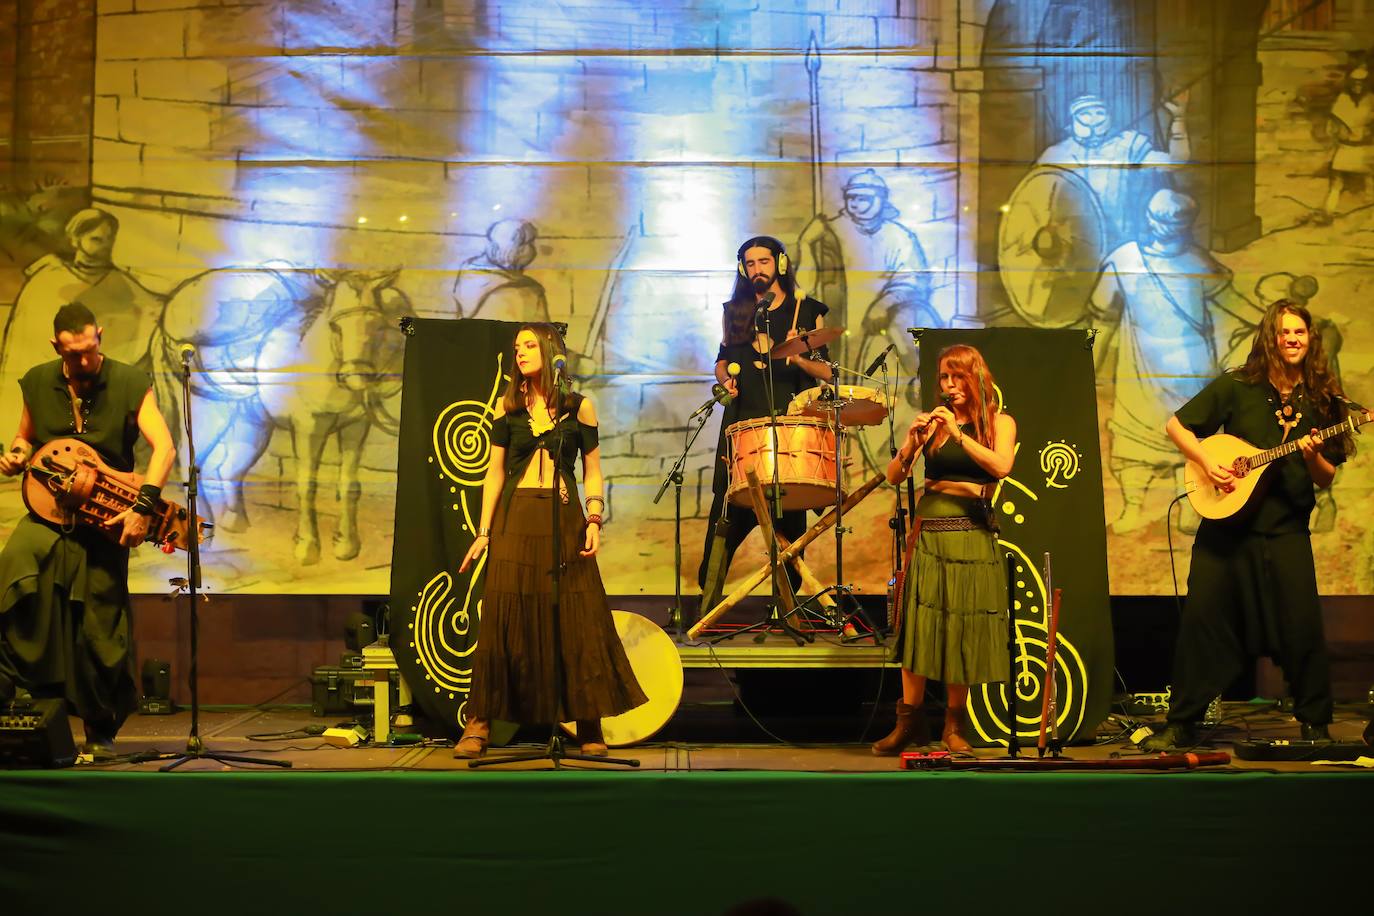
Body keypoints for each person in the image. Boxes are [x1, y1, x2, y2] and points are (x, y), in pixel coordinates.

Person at [1142, 301, 1367, 751]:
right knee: (1202, 622)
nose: (1292, 339)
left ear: (1310, 339)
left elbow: (1326, 477)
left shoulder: (1324, 399)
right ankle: (1183, 722)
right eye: (1284, 332)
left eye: (1300, 332)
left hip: (1285, 529)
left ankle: (1315, 724)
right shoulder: (1238, 386)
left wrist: (1311, 455)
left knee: (1302, 625)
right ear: (1271, 338)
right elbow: (1177, 425)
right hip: (1226, 531)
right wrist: (1208, 461)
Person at [455, 323, 646, 758]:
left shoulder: (580, 407)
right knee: (504, 619)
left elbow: (593, 469)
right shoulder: (509, 411)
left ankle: (588, 723)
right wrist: (483, 533)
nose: (519, 352)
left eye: (527, 345)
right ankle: (480, 723)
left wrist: (595, 517)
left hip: (565, 520)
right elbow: (494, 472)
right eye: (516, 347)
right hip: (515, 522)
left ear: (548, 351)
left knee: (577, 617)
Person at [0, 303, 176, 758]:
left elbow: (165, 448)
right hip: (47, 511)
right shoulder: (39, 380)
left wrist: (143, 507)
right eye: (72, 353)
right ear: (56, 346)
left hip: (105, 515)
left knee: (101, 621)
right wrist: (18, 454)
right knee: (16, 576)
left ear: (99, 336)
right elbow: (27, 435)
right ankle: (25, 700)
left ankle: (101, 728)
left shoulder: (130, 381)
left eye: (89, 350)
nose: (82, 362)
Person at [1088, 188, 1262, 534]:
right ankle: (1133, 507)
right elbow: (1102, 319)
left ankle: (1190, 505)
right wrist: (1089, 367)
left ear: (1188, 224)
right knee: (1134, 437)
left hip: (1192, 372)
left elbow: (1236, 306)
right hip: (1140, 371)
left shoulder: (1200, 263)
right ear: (1148, 218)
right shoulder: (1125, 261)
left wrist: (1273, 326)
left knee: (1192, 441)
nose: (1166, 226)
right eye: (1160, 218)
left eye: (1175, 220)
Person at [873, 344, 1016, 756]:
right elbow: (893, 476)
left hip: (971, 533)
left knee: (961, 630)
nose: (949, 386)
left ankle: (955, 726)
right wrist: (911, 443)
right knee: (918, 628)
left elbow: (1002, 466)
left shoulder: (999, 423)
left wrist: (957, 434)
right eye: (944, 379)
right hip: (930, 535)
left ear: (975, 379)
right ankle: (909, 723)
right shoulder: (934, 424)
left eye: (957, 378)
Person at [695, 236, 834, 607]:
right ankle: (705, 610)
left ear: (780, 264)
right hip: (743, 429)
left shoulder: (807, 311)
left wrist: (800, 356)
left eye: (764, 262)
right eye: (750, 263)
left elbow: (828, 373)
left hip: (790, 437)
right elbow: (722, 358)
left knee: (788, 541)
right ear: (743, 268)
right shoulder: (736, 310)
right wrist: (724, 379)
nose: (757, 269)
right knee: (721, 532)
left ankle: (784, 614)